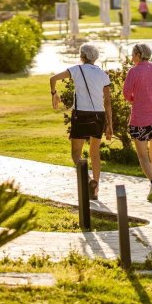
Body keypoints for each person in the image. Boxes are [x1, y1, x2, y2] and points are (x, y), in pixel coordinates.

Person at [50, 43, 112, 200]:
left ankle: (89, 180)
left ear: (82, 56)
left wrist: (54, 94)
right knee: (95, 153)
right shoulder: (103, 74)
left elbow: (53, 79)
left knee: (76, 154)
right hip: (99, 115)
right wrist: (110, 125)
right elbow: (108, 102)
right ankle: (96, 189)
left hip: (81, 115)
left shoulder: (76, 70)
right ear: (95, 57)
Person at [122, 43, 152, 201]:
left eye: (132, 53)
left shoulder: (134, 71)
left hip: (139, 120)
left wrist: (135, 99)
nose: (131, 57)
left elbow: (126, 94)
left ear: (137, 54)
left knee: (143, 156)